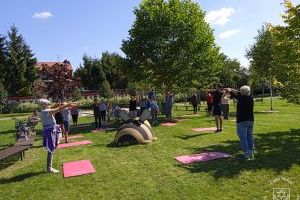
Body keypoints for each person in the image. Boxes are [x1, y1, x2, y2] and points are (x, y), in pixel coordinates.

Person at [38, 99, 76, 173]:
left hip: (52, 129)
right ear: (45, 105)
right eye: (48, 104)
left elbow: (56, 108)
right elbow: (58, 109)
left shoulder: (45, 110)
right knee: (51, 150)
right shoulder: (46, 111)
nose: (49, 105)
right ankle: (49, 168)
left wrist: (61, 105)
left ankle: (49, 167)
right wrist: (67, 105)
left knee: (54, 145)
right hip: (50, 131)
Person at [227, 86, 255, 161]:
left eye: (241, 91)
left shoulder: (241, 98)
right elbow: (239, 93)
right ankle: (251, 152)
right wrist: (232, 90)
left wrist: (229, 90)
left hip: (242, 121)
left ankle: (246, 153)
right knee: (249, 136)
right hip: (250, 120)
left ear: (243, 92)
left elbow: (236, 94)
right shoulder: (250, 98)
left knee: (243, 137)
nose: (240, 92)